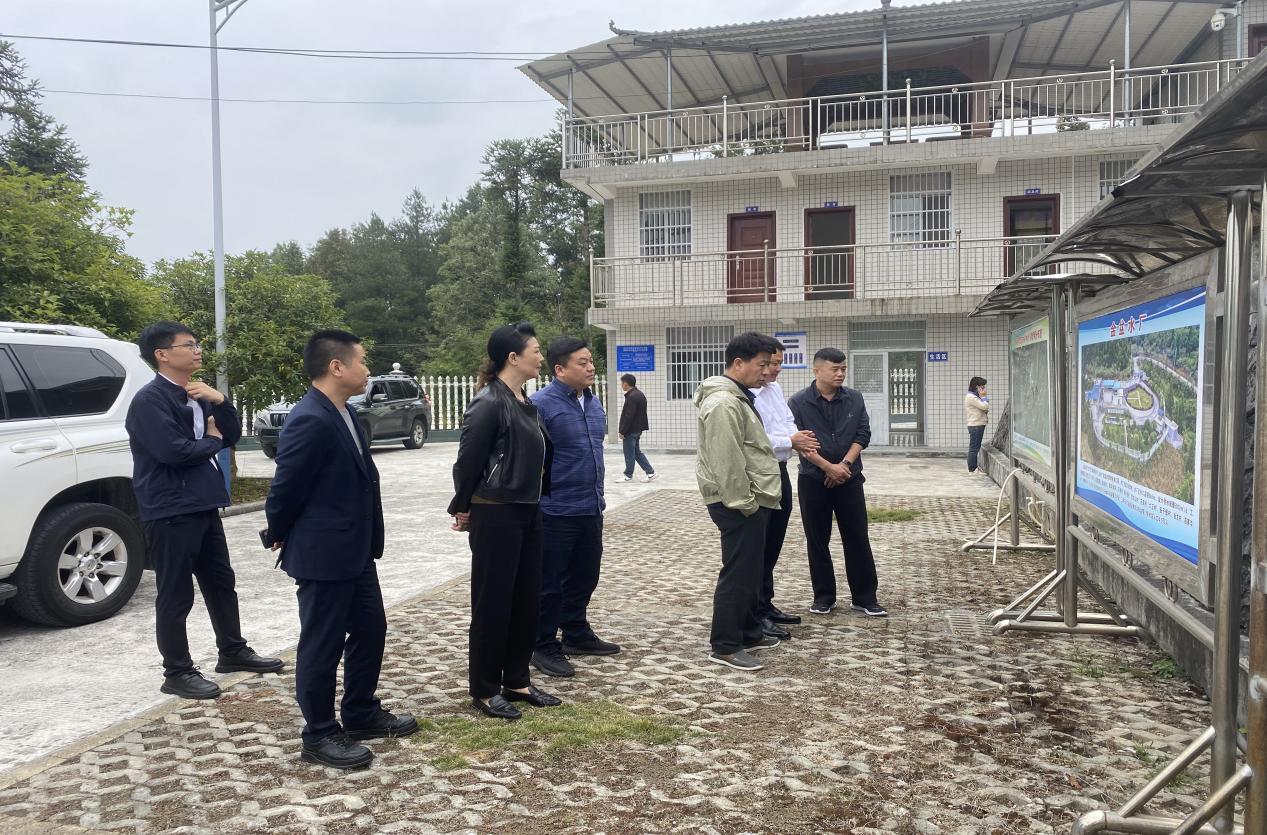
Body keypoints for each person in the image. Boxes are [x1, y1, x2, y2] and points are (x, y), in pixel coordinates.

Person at [265, 330, 418, 770]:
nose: (367, 369)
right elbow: (286, 487)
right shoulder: (309, 418)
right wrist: (278, 530)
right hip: (323, 553)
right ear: (337, 366)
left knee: (371, 628)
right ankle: (318, 734)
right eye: (362, 360)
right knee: (323, 643)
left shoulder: (344, 411)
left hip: (355, 550)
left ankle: (361, 712)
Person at [126, 321, 283, 701]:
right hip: (169, 508)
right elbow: (174, 452)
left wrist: (221, 402)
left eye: (197, 344)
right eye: (188, 345)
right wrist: (212, 440)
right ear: (162, 355)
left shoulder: (197, 394)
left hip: (202, 504)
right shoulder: (149, 401)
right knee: (176, 593)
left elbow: (231, 435)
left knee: (220, 582)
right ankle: (177, 671)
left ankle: (232, 651)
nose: (197, 350)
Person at [449, 322, 562, 721]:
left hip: (528, 508)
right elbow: (468, 461)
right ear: (513, 358)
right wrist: (462, 506)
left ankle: (517, 680)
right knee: (493, 601)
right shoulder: (489, 401)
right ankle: (484, 688)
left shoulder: (523, 400)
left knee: (526, 598)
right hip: (495, 510)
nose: (541, 357)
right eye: (535, 351)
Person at [529, 337, 621, 679]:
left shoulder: (594, 404)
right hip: (554, 509)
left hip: (590, 505)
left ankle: (576, 632)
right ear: (560, 369)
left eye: (591, 361)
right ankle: (542, 644)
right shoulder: (540, 405)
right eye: (582, 363)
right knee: (550, 583)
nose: (591, 367)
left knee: (585, 575)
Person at [693, 332, 785, 671]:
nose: (766, 371)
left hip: (750, 497)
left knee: (750, 571)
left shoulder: (738, 396)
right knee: (738, 572)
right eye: (761, 365)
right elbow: (727, 460)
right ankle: (726, 645)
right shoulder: (724, 403)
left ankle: (748, 632)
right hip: (737, 501)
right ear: (737, 363)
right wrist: (745, 503)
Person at [787, 348, 888, 619]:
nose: (841, 373)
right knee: (817, 540)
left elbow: (862, 434)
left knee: (857, 537)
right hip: (813, 480)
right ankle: (824, 597)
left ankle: (865, 597)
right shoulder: (798, 402)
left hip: (849, 478)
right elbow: (799, 442)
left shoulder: (854, 398)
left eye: (843, 368)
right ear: (817, 370)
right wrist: (827, 468)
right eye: (835, 369)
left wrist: (844, 465)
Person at [749, 345, 820, 638]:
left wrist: (796, 438)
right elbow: (756, 438)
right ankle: (754, 611)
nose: (776, 369)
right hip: (759, 471)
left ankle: (765, 603)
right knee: (758, 545)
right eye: (770, 363)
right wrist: (790, 441)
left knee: (774, 539)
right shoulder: (746, 395)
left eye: (779, 363)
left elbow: (787, 422)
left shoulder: (774, 389)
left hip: (779, 469)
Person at [617, 374, 656, 483]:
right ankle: (650, 472)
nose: (621, 385)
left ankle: (628, 475)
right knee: (636, 452)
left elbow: (628, 416)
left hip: (631, 430)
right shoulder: (639, 394)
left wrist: (622, 431)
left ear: (626, 383)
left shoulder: (632, 397)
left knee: (629, 453)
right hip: (637, 429)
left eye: (622, 383)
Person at [965, 376, 990, 474]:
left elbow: (984, 408)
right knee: (974, 448)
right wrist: (983, 396)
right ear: (976, 387)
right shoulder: (971, 397)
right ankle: (972, 469)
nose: (984, 389)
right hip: (976, 425)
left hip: (977, 424)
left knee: (975, 447)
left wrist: (982, 397)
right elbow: (985, 406)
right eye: (982, 387)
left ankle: (974, 468)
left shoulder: (975, 396)